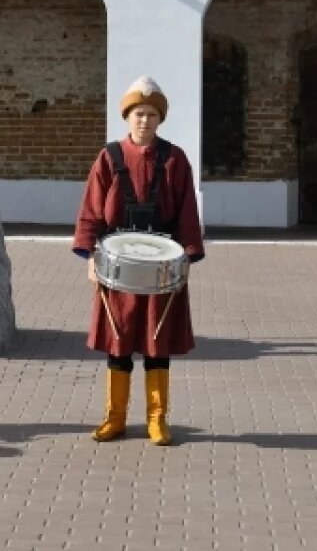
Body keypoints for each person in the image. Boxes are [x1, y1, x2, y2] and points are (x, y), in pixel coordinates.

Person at [72, 77, 205, 444]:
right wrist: (89, 255)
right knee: (119, 340)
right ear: (127, 117)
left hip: (162, 265)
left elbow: (187, 212)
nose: (144, 121)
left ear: (159, 119)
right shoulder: (109, 157)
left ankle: (157, 419)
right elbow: (92, 209)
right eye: (137, 114)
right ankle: (114, 418)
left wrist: (187, 257)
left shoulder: (175, 159)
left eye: (150, 114)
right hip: (117, 263)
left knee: (157, 342)